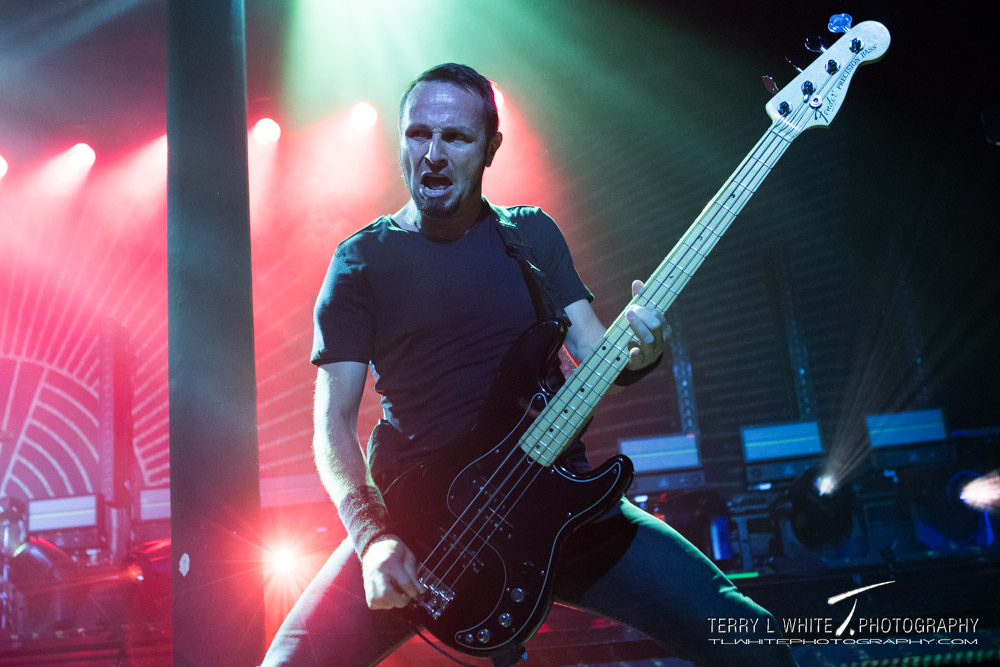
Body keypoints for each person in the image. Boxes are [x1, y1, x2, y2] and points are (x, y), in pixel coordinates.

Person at [261, 63, 796, 666]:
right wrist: (372, 538)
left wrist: (644, 351)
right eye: (418, 134)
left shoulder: (531, 236)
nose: (433, 154)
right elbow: (331, 425)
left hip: (559, 506)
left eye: (456, 138)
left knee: (748, 636)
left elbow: (599, 356)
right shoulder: (361, 262)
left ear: (491, 148)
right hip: (425, 529)